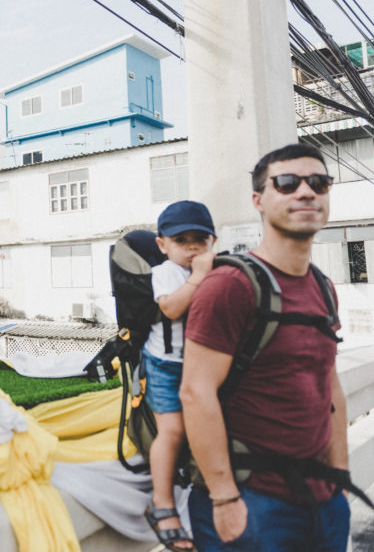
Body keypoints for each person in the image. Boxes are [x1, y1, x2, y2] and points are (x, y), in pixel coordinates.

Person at [181, 143, 348, 551]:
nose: (306, 192)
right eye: (287, 183)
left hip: (322, 499)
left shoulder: (323, 287)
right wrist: (224, 498)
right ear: (258, 200)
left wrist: (339, 478)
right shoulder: (230, 287)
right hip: (252, 503)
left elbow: (329, 386)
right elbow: (195, 392)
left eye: (319, 183)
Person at [143, 200, 216, 552]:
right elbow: (171, 307)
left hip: (200, 364)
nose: (190, 248)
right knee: (172, 431)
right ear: (163, 245)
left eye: (199, 240)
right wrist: (200, 277)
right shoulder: (167, 272)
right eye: (180, 240)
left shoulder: (216, 269)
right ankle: (161, 503)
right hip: (165, 365)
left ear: (211, 242)